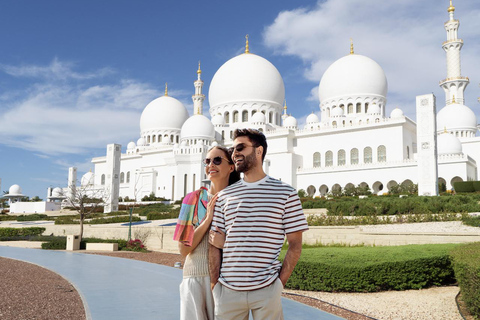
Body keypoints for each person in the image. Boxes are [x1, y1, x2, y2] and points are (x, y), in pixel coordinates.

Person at [209, 128, 309, 320]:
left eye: (241, 147)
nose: (235, 153)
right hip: (227, 291)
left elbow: (295, 244)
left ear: (259, 151)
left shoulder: (286, 194)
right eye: (233, 149)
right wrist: (215, 284)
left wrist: (279, 284)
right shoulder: (224, 196)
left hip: (267, 290)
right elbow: (214, 244)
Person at [174, 145, 240, 320]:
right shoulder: (193, 199)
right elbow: (183, 249)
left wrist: (225, 243)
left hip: (227, 280)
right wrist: (207, 219)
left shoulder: (238, 202)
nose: (211, 165)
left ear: (231, 167)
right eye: (207, 161)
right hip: (195, 278)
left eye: (217, 160)